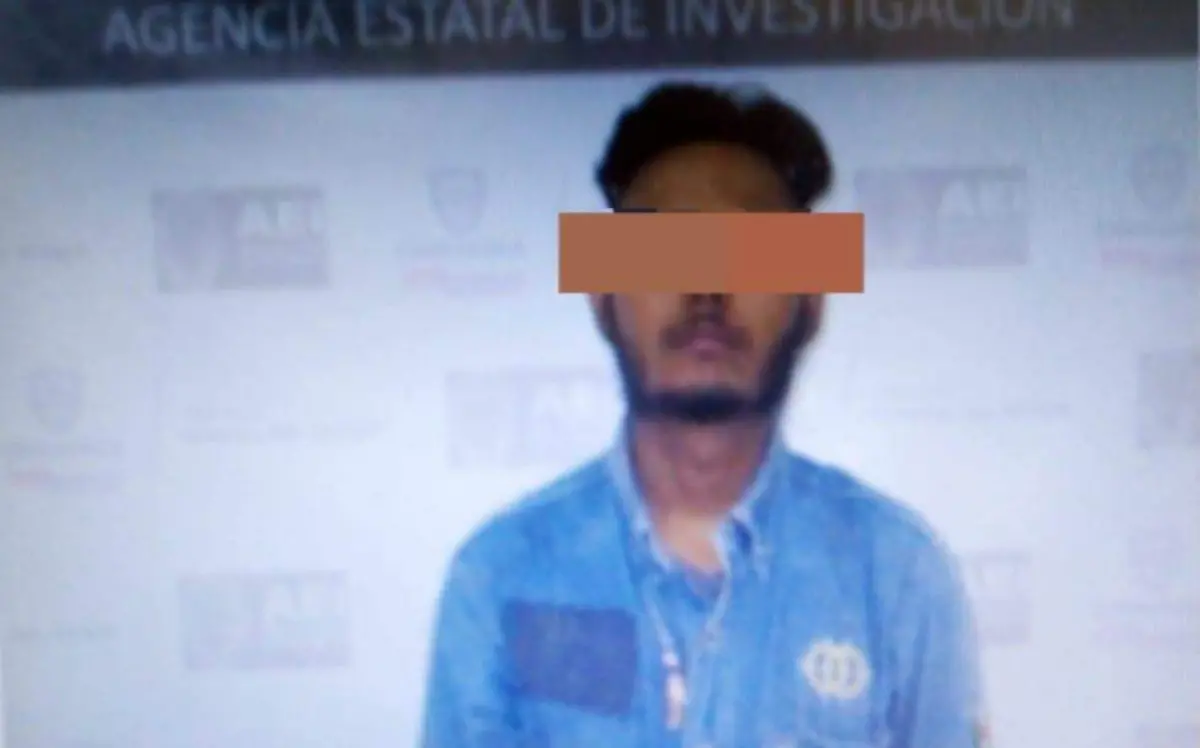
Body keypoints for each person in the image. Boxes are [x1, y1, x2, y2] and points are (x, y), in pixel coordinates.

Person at [419, 81, 986, 748]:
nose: (707, 287)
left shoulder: (896, 575)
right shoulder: (500, 577)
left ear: (810, 301)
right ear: (602, 296)